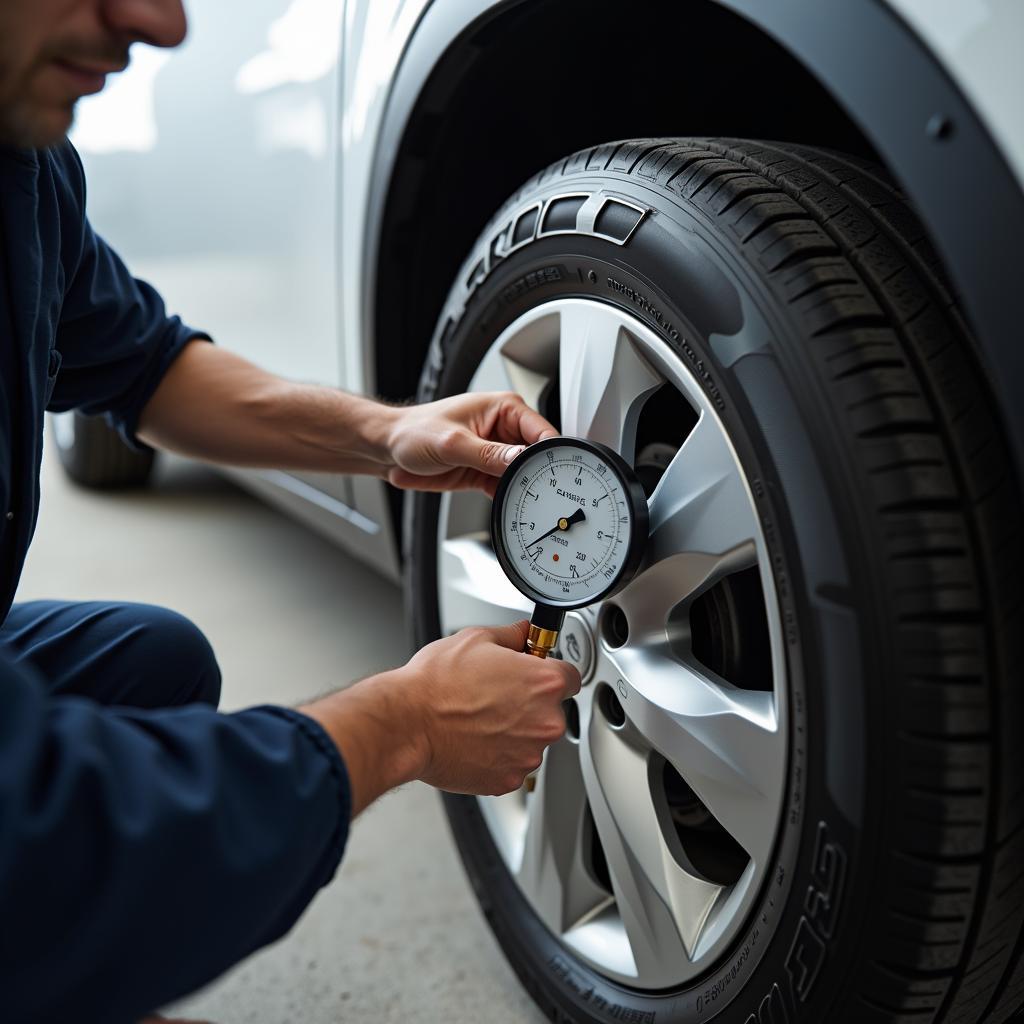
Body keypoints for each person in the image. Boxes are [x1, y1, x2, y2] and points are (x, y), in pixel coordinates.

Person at [0, 2, 582, 1022]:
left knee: (151, 661)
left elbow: (145, 365)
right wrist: (402, 726)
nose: (162, 23)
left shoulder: (22, 167)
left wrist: (386, 433)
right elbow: (33, 821)